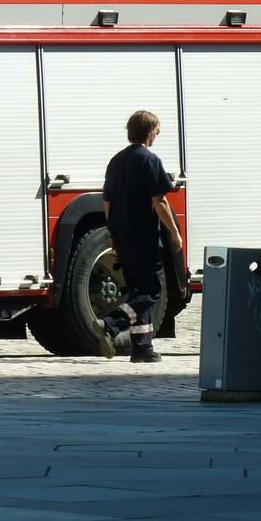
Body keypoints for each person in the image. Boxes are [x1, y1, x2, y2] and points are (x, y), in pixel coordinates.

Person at [96, 110, 183, 363]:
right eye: (157, 130)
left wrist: (112, 231)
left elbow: (107, 200)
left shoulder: (116, 160)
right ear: (149, 131)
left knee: (137, 291)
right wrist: (174, 233)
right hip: (143, 235)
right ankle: (110, 325)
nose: (158, 134)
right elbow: (160, 202)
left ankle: (142, 348)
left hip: (122, 234)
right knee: (152, 291)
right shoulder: (149, 160)